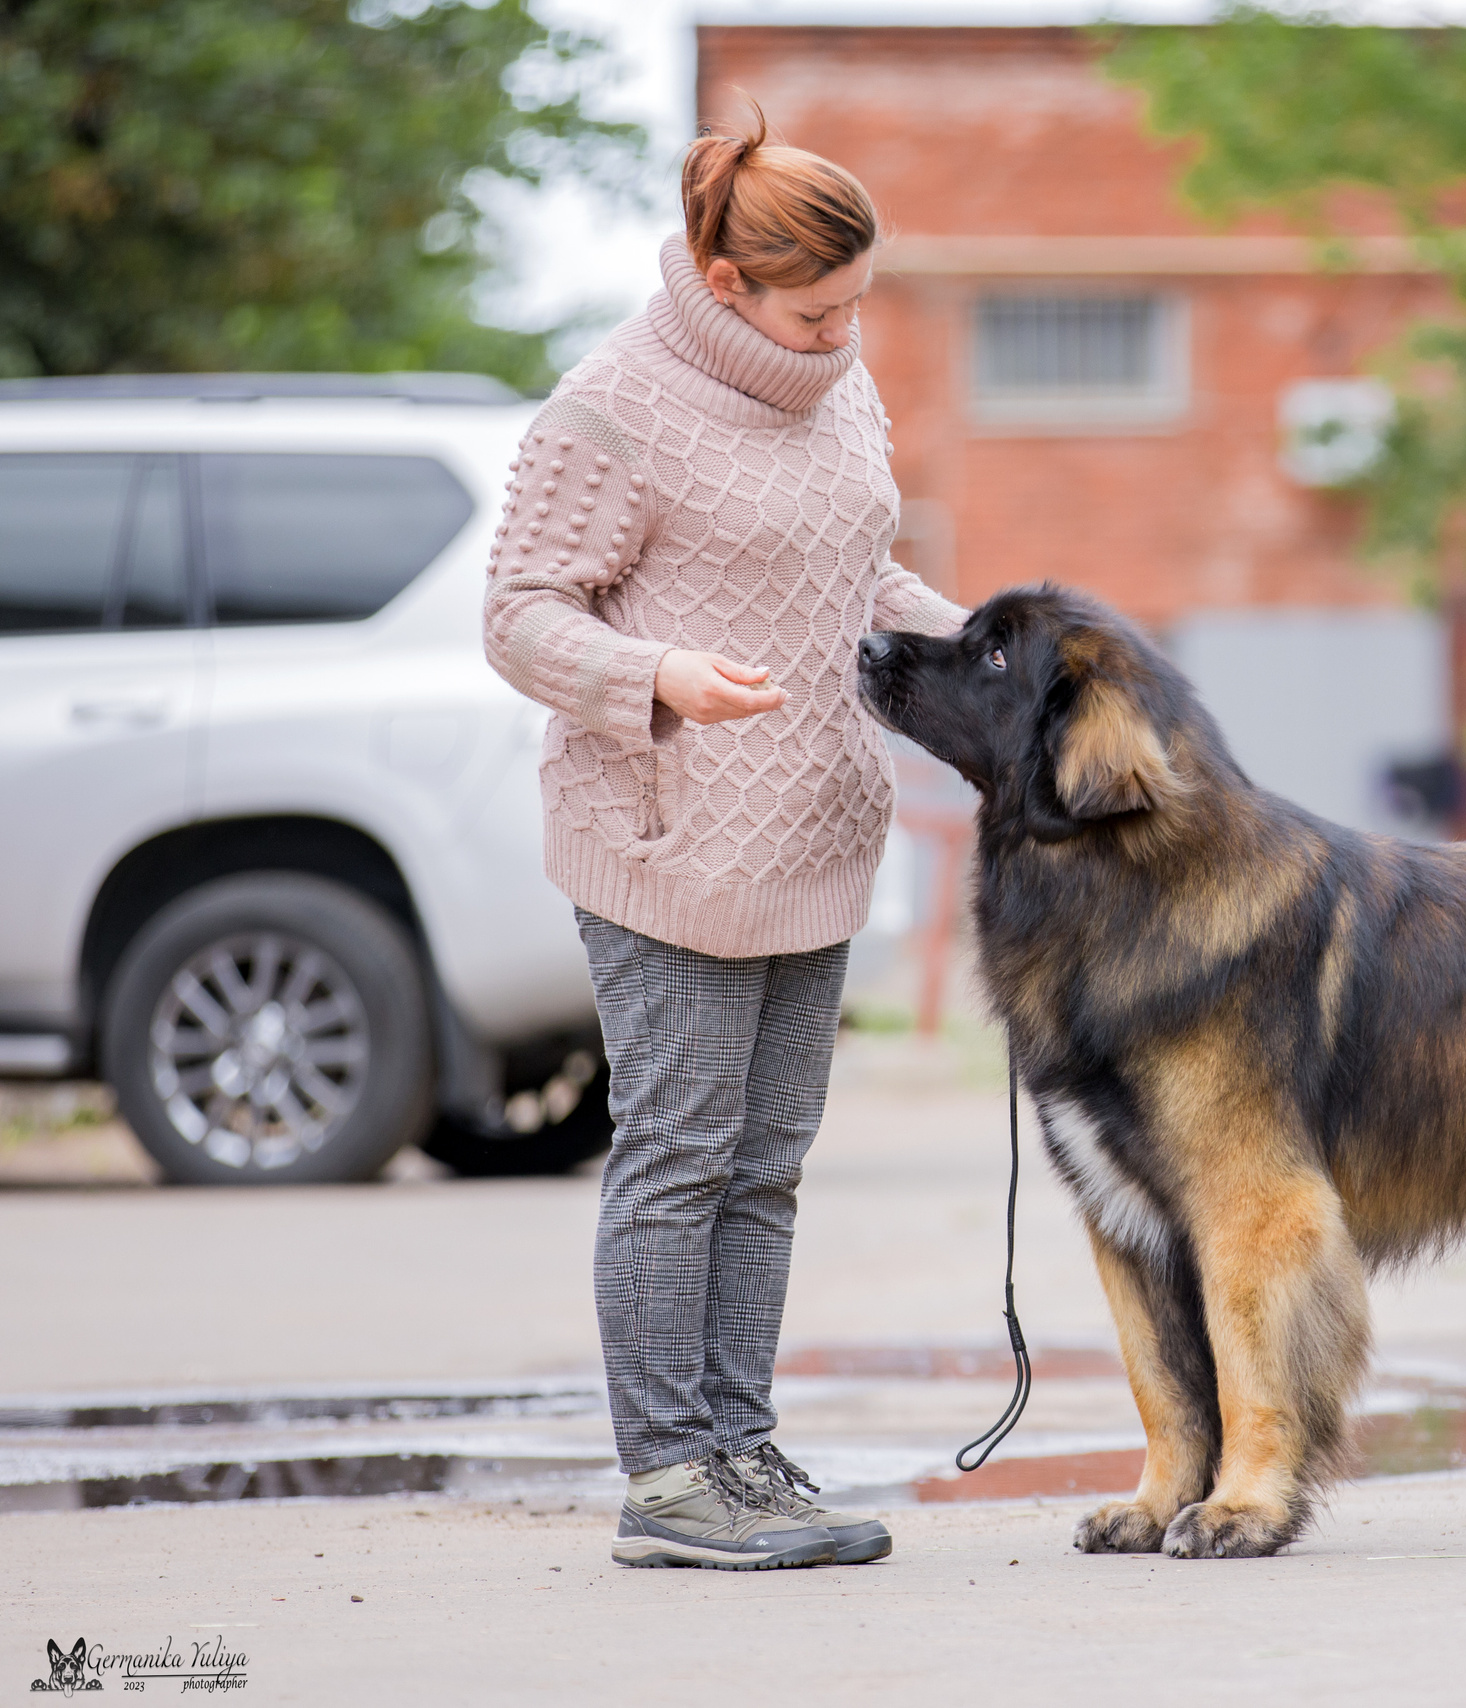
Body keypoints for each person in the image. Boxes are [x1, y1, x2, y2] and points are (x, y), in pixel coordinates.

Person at [482, 110, 965, 1570]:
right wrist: (659, 675)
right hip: (671, 840)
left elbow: (854, 570)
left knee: (764, 1167)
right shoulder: (610, 406)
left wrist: (991, 649)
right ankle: (670, 1480)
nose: (843, 336)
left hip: (817, 832)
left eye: (858, 306)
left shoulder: (840, 383)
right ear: (727, 280)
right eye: (817, 313)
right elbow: (520, 614)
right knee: (681, 1157)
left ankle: (743, 1455)